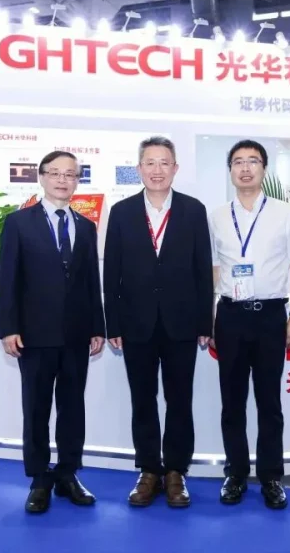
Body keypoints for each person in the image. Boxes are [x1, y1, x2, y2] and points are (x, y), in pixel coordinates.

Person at [103, 136, 213, 508]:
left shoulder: (193, 210)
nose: (157, 170)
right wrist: (113, 324)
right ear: (139, 169)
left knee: (179, 400)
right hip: (136, 323)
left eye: (164, 163)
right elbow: (111, 272)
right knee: (143, 400)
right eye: (150, 163)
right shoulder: (121, 212)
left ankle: (176, 472)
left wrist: (205, 322)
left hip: (182, 322)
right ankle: (149, 470)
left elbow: (202, 270)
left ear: (175, 168)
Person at [0, 150, 106, 514]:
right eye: (55, 173)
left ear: (77, 181)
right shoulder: (18, 223)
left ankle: (68, 474)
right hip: (34, 334)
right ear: (41, 177)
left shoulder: (86, 227)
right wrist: (9, 328)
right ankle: (39, 479)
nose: (63, 180)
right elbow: (8, 280)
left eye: (70, 174)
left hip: (76, 334)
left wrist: (97, 326)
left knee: (73, 409)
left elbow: (91, 281)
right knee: (37, 408)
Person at [208, 139, 290, 509]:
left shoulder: (284, 213)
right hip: (230, 316)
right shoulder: (217, 216)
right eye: (238, 162)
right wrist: (210, 317)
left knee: (269, 402)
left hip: (271, 316)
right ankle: (235, 473)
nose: (245, 168)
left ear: (264, 170)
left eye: (253, 161)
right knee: (232, 401)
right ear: (230, 170)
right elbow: (214, 269)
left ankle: (271, 477)